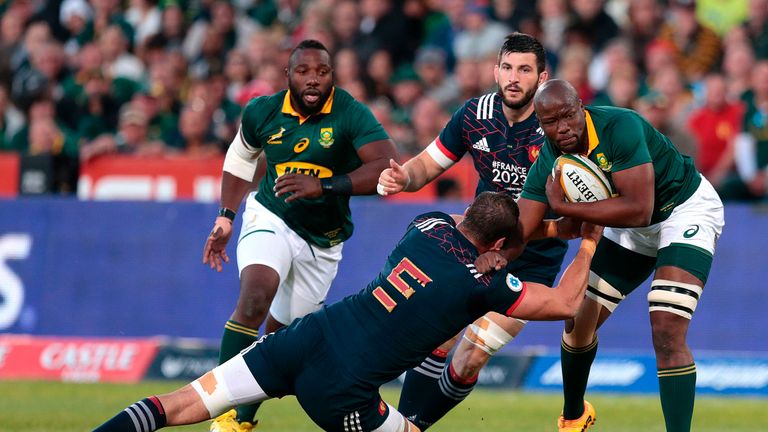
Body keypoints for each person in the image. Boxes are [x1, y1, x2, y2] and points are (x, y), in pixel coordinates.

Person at [93, 192, 604, 432]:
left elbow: (463, 227)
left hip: (303, 340)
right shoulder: (485, 282)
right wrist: (585, 243)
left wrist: (491, 241)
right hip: (344, 390)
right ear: (497, 245)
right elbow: (563, 303)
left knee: (181, 404)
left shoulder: (427, 225)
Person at [201, 39, 398, 431]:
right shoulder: (263, 111)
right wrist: (226, 216)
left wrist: (323, 185)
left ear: (332, 77)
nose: (313, 80)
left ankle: (244, 416)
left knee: (281, 339)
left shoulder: (349, 113)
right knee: (255, 296)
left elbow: (387, 167)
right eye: (304, 71)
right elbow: (241, 157)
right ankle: (223, 416)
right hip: (271, 214)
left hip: (324, 241)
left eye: (322, 72)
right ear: (287, 75)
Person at [377, 32, 569, 430]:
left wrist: (532, 235)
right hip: (474, 248)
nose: (514, 78)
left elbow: (572, 223)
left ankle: (413, 424)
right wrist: (403, 177)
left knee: (471, 356)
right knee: (437, 338)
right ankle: (405, 425)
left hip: (532, 263)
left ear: (542, 77)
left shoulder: (557, 130)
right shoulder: (474, 114)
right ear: (495, 71)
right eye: (507, 68)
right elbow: (427, 165)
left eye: (525, 70)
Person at [518, 79, 724, 432]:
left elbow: (639, 209)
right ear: (540, 124)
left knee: (666, 325)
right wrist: (481, 242)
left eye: (568, 115)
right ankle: (573, 415)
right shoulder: (549, 158)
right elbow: (523, 226)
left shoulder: (620, 125)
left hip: (683, 210)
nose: (563, 127)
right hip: (628, 228)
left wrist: (565, 207)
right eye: (551, 122)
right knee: (577, 318)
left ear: (581, 106)